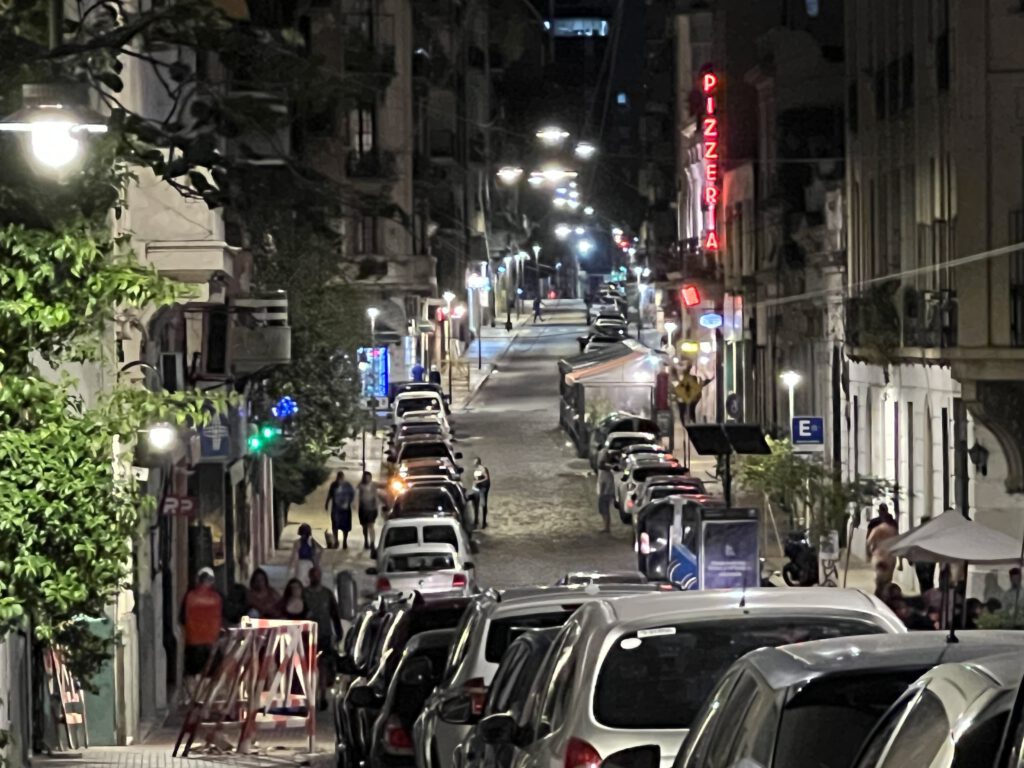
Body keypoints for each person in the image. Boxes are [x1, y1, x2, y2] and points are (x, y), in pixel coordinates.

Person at [180, 567, 223, 700]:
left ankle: (194, 699)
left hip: (193, 642)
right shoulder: (217, 598)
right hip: (212, 642)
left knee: (193, 674)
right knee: (210, 674)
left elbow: (182, 618)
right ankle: (207, 699)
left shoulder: (190, 597)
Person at [304, 567, 342, 709]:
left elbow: (334, 613)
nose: (316, 578)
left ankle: (322, 695)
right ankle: (309, 695)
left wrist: (338, 631)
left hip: (324, 634)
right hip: (307, 635)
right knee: (309, 666)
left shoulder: (327, 594)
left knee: (323, 665)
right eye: (313, 575)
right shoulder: (304, 594)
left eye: (318, 575)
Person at [865, 504, 898, 597]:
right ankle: (886, 596)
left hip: (878, 555)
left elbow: (868, 541)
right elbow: (897, 542)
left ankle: (879, 595)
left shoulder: (875, 525)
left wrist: (868, 554)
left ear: (879, 511)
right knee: (888, 579)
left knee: (879, 578)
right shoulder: (893, 526)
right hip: (890, 557)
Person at [325, 471, 355, 549]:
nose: (340, 479)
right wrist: (327, 503)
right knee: (335, 525)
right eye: (339, 478)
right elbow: (330, 494)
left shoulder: (347, 485)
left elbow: (352, 494)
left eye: (341, 478)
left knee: (345, 527)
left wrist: (350, 502)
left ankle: (344, 541)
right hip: (336, 509)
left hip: (345, 509)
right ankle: (336, 541)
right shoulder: (334, 485)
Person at [357, 471, 385, 551]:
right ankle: (366, 541)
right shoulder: (361, 485)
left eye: (368, 477)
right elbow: (357, 496)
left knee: (371, 526)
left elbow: (382, 487)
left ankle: (372, 542)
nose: (367, 479)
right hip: (363, 509)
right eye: (366, 477)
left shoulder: (374, 485)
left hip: (372, 509)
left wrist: (377, 506)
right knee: (364, 526)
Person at [472, 457, 492, 529]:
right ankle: (480, 522)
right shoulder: (478, 469)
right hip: (483, 487)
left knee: (480, 503)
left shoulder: (480, 469)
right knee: (480, 503)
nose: (472, 463)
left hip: (483, 487)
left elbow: (486, 478)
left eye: (474, 461)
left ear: (477, 462)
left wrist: (478, 482)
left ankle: (479, 522)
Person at [596, 461, 615, 533]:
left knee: (604, 511)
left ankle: (606, 527)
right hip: (608, 493)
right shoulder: (609, 473)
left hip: (604, 494)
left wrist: (601, 494)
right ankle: (606, 527)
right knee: (605, 510)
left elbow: (602, 484)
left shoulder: (603, 474)